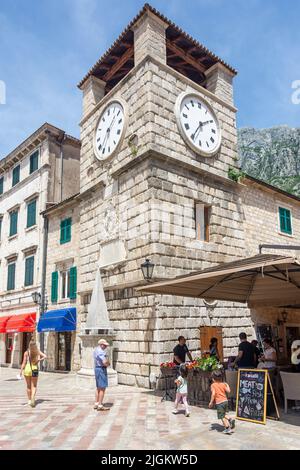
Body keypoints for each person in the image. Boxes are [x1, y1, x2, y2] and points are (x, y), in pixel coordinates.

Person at [20, 339, 47, 408]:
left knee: (28, 386)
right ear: (35, 346)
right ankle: (32, 398)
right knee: (34, 385)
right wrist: (39, 360)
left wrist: (20, 371)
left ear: (29, 345)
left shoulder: (26, 352)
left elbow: (24, 363)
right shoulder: (37, 352)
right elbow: (45, 356)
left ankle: (29, 400)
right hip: (34, 369)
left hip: (27, 369)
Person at [209, 370, 235, 434]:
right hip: (225, 401)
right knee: (225, 414)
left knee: (222, 416)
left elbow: (213, 394)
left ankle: (227, 428)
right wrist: (227, 385)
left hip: (219, 402)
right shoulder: (223, 384)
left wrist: (211, 402)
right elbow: (228, 391)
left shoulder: (213, 385)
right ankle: (230, 420)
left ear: (213, 379)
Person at [94, 339, 110, 411]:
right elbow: (104, 362)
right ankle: (100, 405)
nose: (106, 347)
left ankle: (96, 403)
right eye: (105, 345)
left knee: (98, 387)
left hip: (97, 368)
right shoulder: (101, 351)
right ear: (101, 344)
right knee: (102, 388)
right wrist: (108, 364)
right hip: (101, 369)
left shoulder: (96, 350)